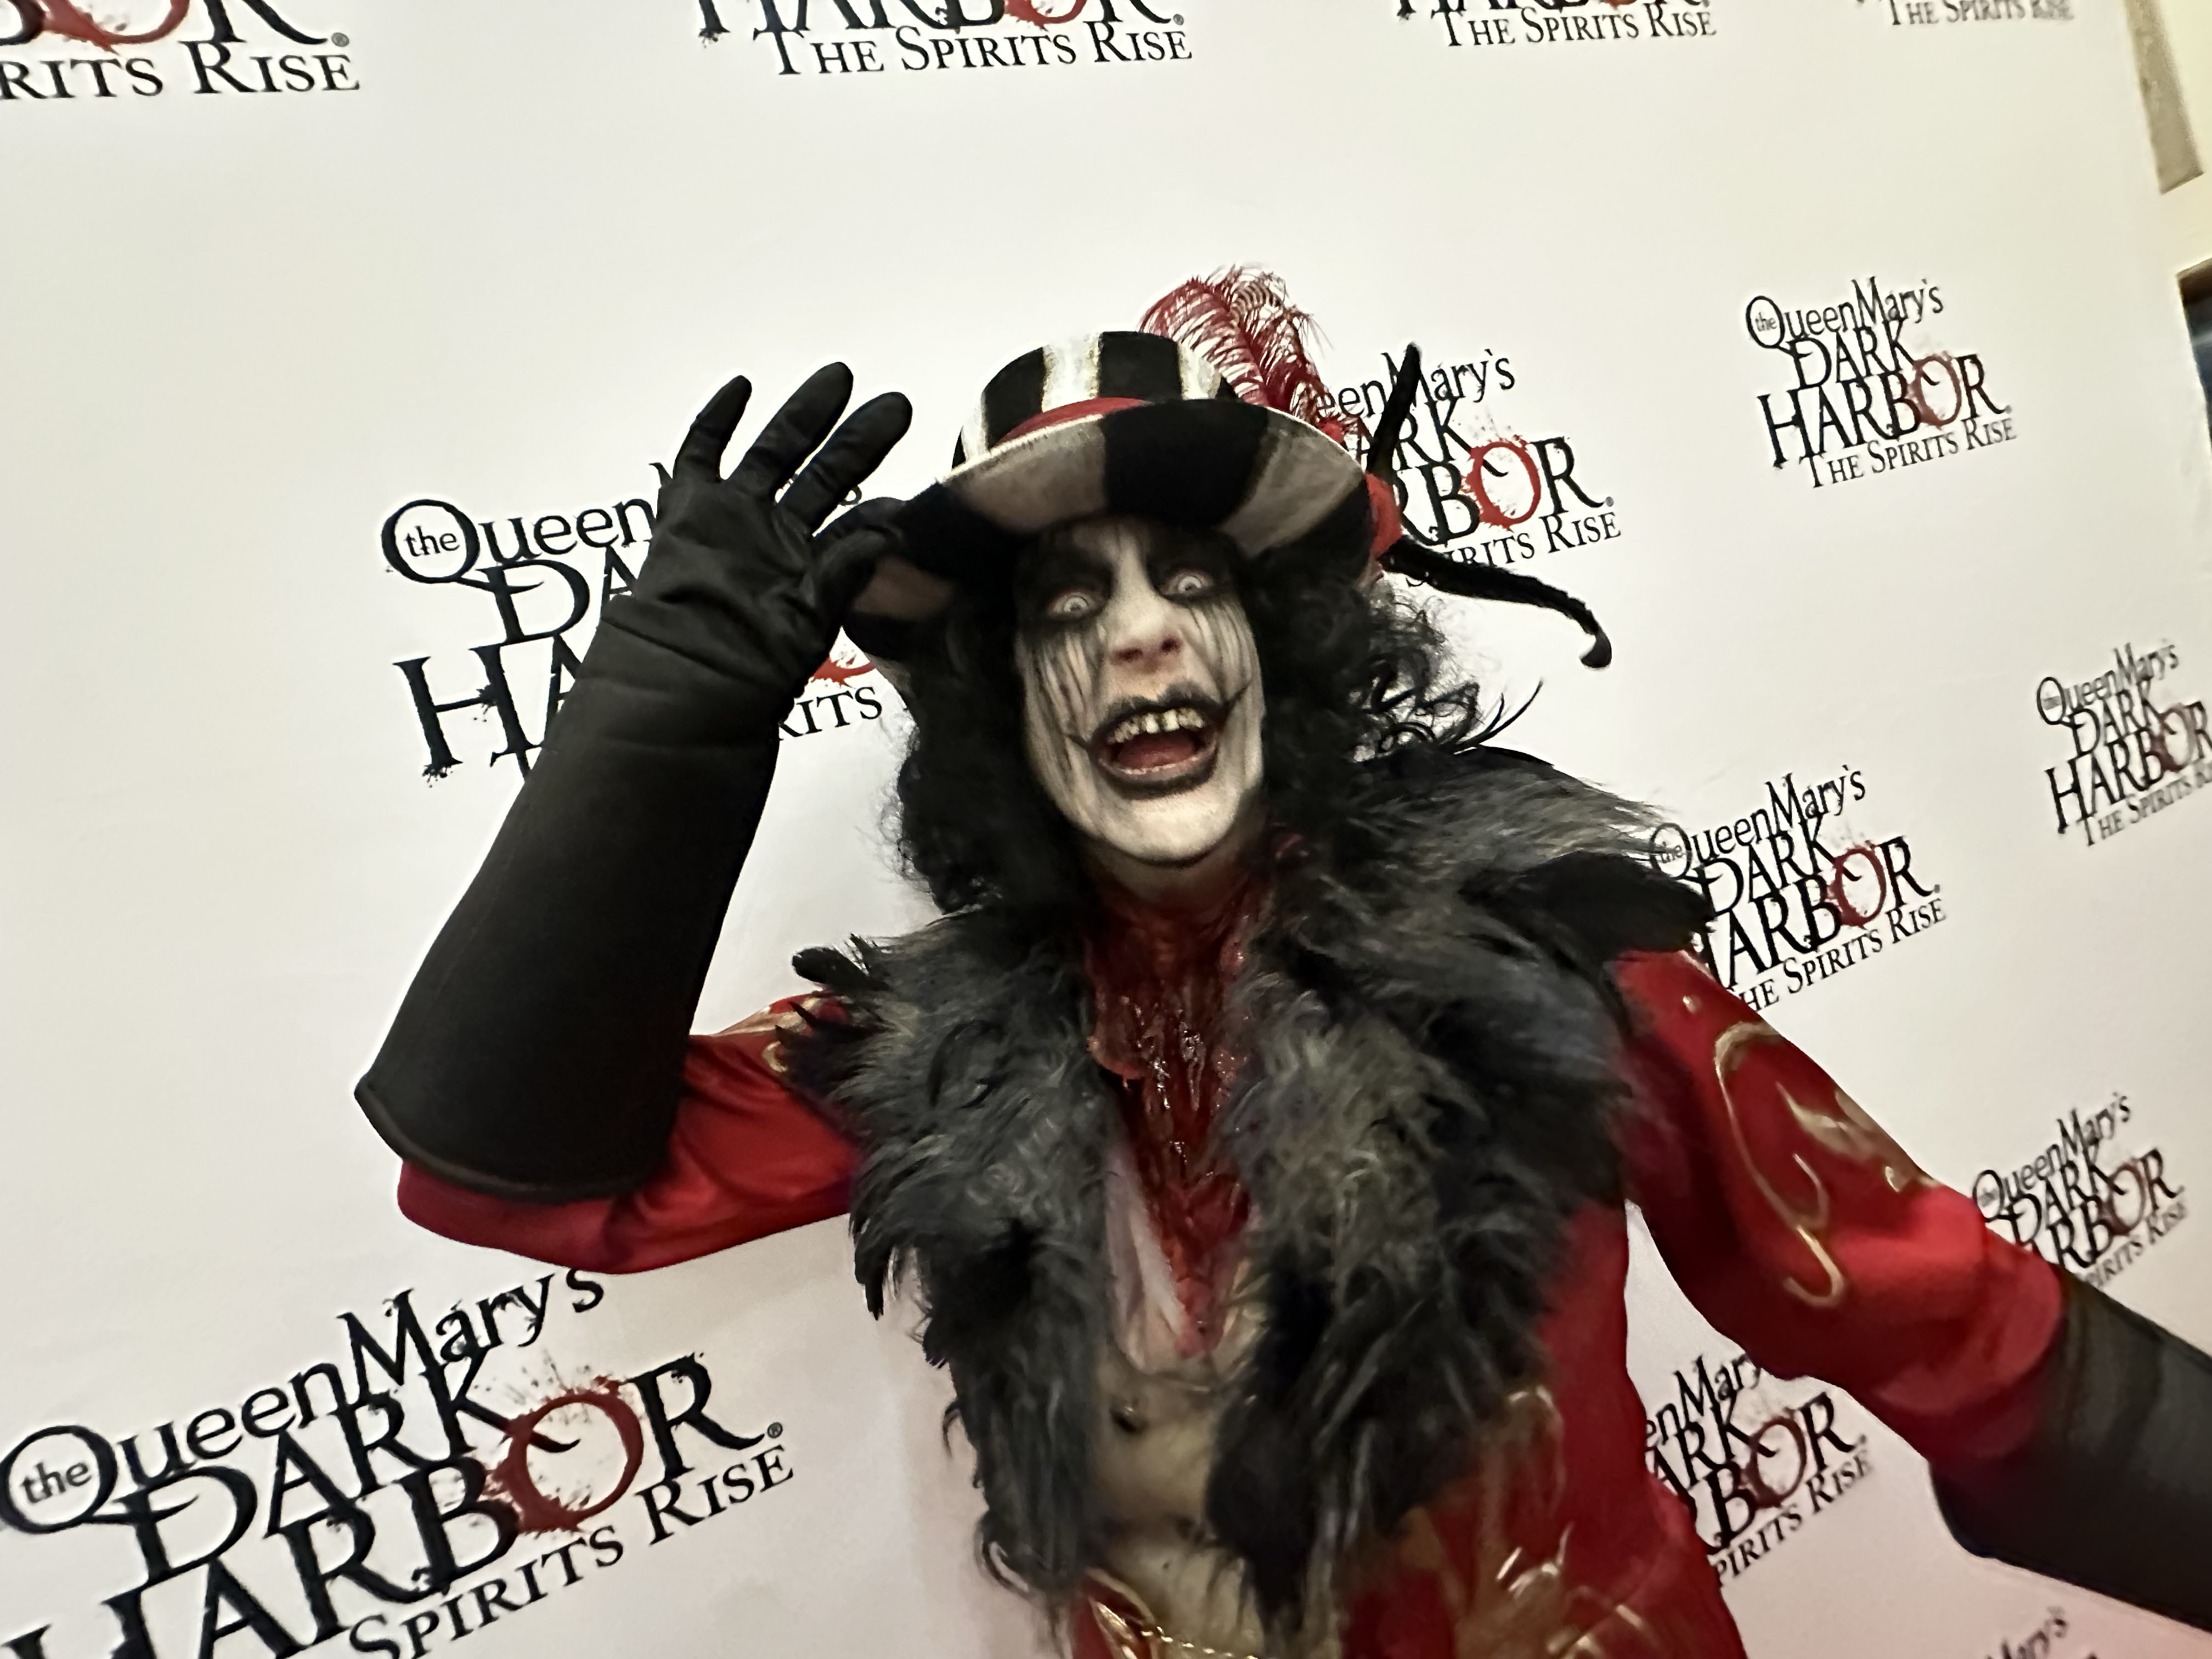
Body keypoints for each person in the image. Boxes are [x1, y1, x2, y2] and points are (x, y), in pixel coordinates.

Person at [357, 283, 2212, 1658]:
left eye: (1194, 585)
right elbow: (509, 1177)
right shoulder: (939, 1057)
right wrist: (669, 714)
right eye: (1066, 609)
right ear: (1005, 709)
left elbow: (1960, 1326)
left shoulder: (1557, 973)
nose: (1140, 640)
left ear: (1285, 649)